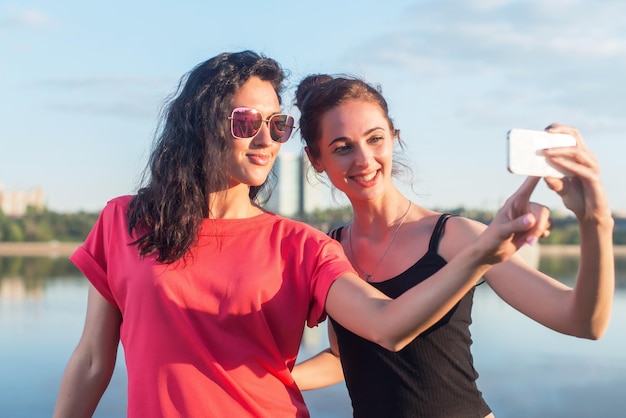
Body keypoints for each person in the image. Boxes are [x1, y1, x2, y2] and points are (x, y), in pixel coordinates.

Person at [52, 51, 550, 418]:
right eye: (248, 121)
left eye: (278, 124)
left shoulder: (302, 246)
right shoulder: (125, 222)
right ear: (201, 123)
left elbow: (389, 325)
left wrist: (481, 252)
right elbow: (95, 359)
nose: (267, 139)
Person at [291, 74, 615, 418]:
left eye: (375, 139)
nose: (365, 160)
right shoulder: (330, 250)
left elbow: (583, 322)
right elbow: (345, 359)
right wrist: (251, 380)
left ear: (394, 138)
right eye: (343, 148)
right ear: (316, 160)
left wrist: (595, 219)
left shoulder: (457, 237)